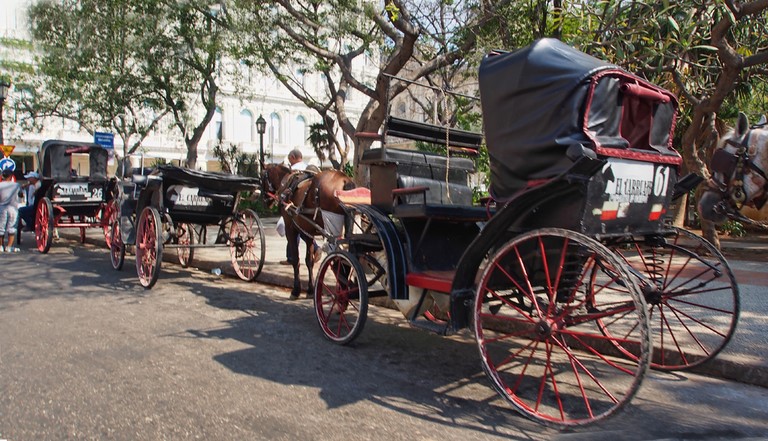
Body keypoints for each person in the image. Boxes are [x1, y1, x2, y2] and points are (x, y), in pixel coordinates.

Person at [276, 149, 321, 264]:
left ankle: (294, 256)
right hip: (307, 205)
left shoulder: (293, 170)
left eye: (289, 159)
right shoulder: (308, 167)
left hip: (295, 204)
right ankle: (293, 255)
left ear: (292, 157)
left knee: (289, 227)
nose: (289, 161)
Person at [0, 169, 22, 252]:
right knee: (12, 227)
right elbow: (20, 194)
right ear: (11, 176)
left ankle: (1, 246)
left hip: (2, 208)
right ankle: (9, 247)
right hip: (13, 208)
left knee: (1, 228)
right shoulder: (16, 185)